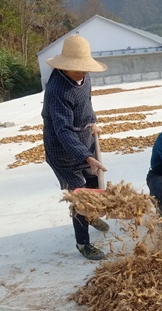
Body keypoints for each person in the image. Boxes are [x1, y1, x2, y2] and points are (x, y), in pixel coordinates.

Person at [42, 35, 109, 260]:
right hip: (62, 150)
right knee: (80, 195)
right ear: (65, 66)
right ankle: (83, 244)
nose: (82, 72)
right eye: (77, 68)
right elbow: (63, 131)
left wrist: (93, 121)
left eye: (84, 68)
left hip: (83, 140)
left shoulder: (84, 78)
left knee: (92, 186)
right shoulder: (56, 91)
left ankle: (90, 216)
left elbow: (87, 102)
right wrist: (87, 157)